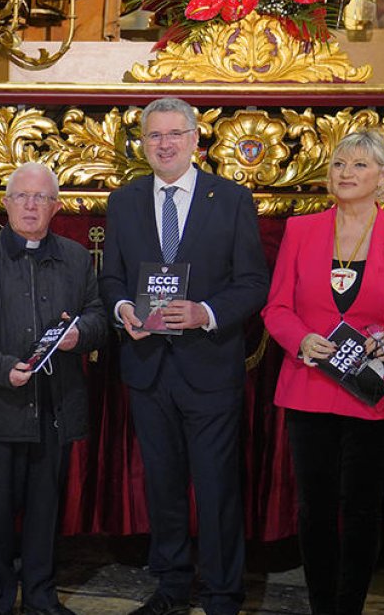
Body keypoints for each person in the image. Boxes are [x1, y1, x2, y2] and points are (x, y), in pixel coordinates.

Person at [99, 97, 269, 615]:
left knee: (216, 487)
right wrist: (125, 308)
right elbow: (110, 279)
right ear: (143, 143)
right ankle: (172, 587)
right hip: (148, 370)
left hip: (209, 366)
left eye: (175, 134)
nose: (165, 144)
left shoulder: (232, 199)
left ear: (196, 139)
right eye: (155, 136)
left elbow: (253, 283)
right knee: (164, 485)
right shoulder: (124, 201)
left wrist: (207, 312)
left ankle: (221, 594)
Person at [261, 129, 384, 615]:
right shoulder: (301, 229)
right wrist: (299, 339)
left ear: (383, 177)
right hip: (310, 389)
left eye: (360, 165)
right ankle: (323, 607)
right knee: (314, 510)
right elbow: (276, 308)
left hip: (373, 394)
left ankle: (350, 608)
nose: (346, 173)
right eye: (340, 164)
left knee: (360, 510)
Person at [0, 162, 107, 615]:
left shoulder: (76, 258)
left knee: (44, 514)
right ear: (7, 203)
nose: (31, 206)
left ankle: (40, 597)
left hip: (55, 408)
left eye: (41, 198)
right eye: (22, 196)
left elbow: (98, 315)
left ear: (56, 206)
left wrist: (82, 334)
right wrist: (3, 368)